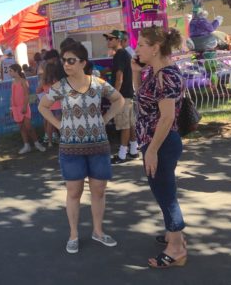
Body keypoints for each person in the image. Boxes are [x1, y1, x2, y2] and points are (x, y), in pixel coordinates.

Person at [38, 41, 125, 254]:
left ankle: (98, 231)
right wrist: (60, 125)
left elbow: (119, 100)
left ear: (83, 62)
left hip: (98, 146)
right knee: (74, 191)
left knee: (99, 190)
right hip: (71, 148)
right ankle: (74, 234)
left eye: (71, 60)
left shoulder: (98, 83)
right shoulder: (61, 86)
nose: (66, 64)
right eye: (64, 60)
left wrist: (105, 119)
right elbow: (43, 106)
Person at [132, 26, 187, 268]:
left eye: (141, 44)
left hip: (161, 143)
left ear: (155, 48)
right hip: (154, 142)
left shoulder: (166, 76)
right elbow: (142, 98)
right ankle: (173, 234)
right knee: (163, 190)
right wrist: (135, 72)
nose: (137, 49)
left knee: (165, 193)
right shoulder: (155, 73)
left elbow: (166, 118)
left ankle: (176, 247)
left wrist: (152, 150)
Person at [104, 30, 139, 164]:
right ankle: (134, 150)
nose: (108, 41)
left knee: (124, 125)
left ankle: (122, 154)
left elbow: (119, 77)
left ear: (118, 40)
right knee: (130, 123)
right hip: (128, 94)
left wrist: (115, 96)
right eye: (107, 39)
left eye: (111, 39)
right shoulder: (123, 54)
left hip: (123, 95)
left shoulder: (119, 54)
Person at [9, 63, 46, 154]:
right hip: (15, 108)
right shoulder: (13, 82)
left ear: (16, 71)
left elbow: (26, 95)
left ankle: (37, 144)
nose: (9, 73)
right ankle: (26, 145)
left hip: (24, 107)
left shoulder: (23, 81)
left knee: (29, 127)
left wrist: (25, 106)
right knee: (21, 127)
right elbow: (12, 96)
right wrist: (11, 109)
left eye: (11, 71)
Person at [37, 63, 61, 147]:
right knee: (59, 124)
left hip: (48, 105)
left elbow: (38, 91)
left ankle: (50, 142)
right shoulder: (56, 80)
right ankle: (64, 140)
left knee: (49, 125)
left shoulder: (43, 80)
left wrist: (45, 91)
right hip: (57, 104)